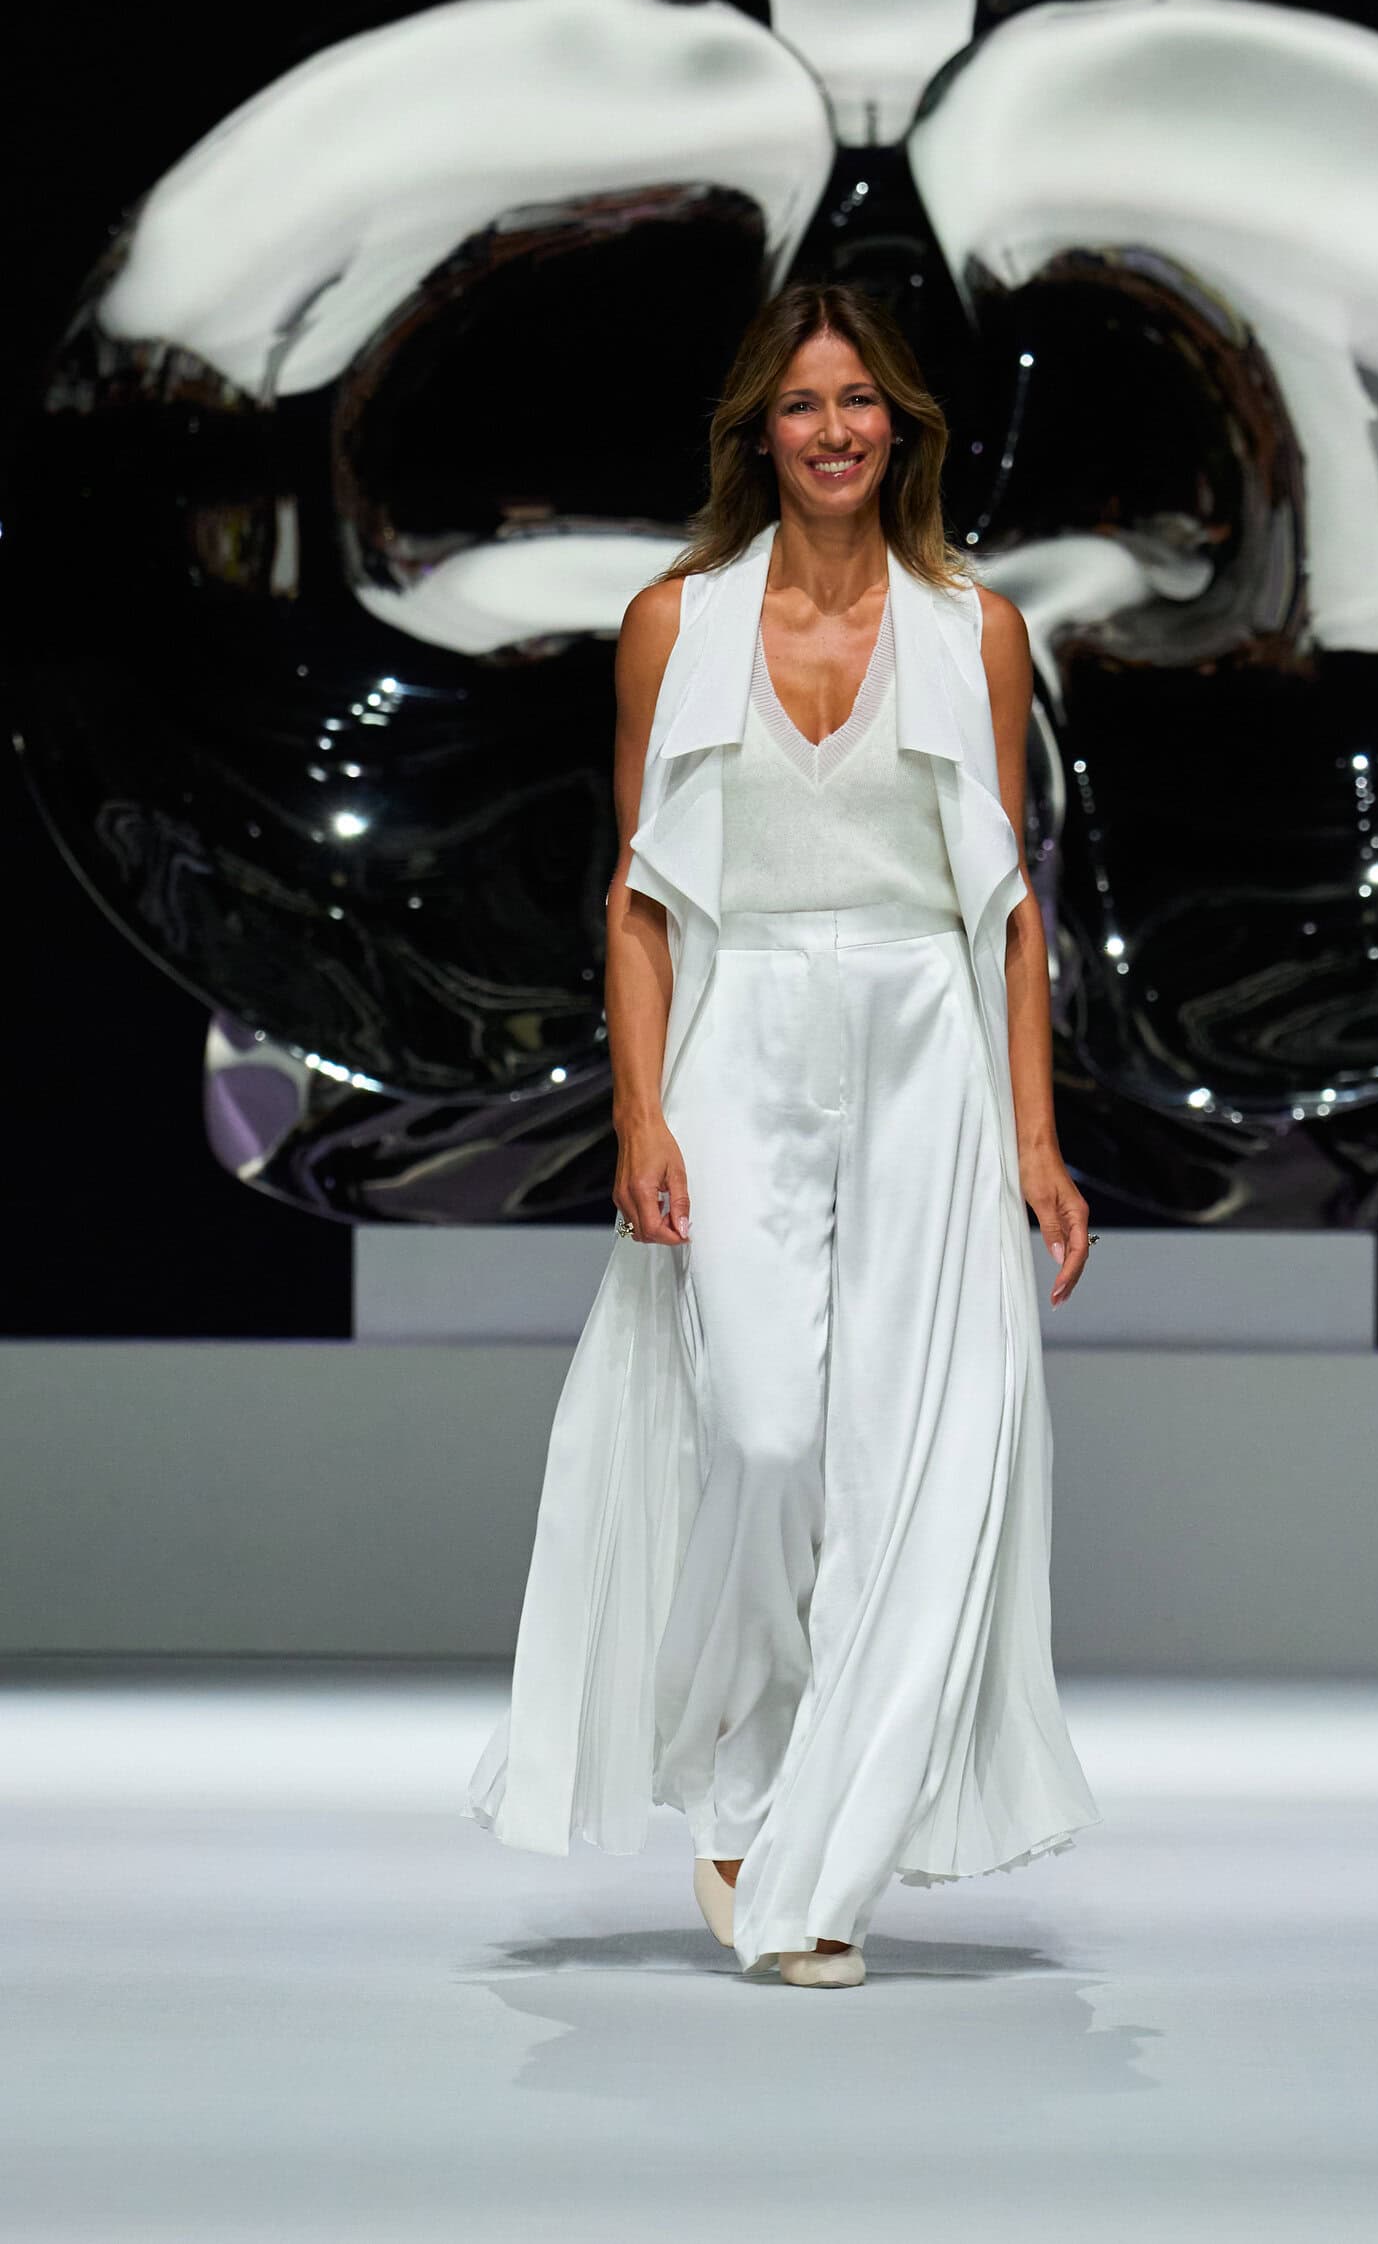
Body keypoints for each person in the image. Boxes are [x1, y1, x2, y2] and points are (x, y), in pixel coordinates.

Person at [466, 282, 1101, 1986]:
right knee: (755, 1434)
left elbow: (1007, 911)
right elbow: (638, 899)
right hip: (738, 1034)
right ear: (760, 429)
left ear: (903, 426)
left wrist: (1036, 1144)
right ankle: (737, 1784)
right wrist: (641, 1113)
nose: (834, 429)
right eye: (805, 402)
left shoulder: (972, 628)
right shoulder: (673, 623)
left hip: (923, 1046)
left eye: (861, 400)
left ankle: (816, 1863)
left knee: (913, 1462)